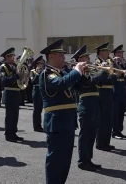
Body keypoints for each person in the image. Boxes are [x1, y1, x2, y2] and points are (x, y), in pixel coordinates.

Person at [39, 38, 85, 184]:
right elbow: (61, 84)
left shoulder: (64, 73)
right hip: (56, 122)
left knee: (65, 160)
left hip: (68, 122)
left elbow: (83, 85)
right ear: (51, 56)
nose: (63, 58)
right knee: (55, 160)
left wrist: (83, 73)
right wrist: (76, 71)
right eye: (60, 55)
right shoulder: (47, 74)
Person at [73, 45, 107, 171]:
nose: (88, 58)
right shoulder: (78, 72)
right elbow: (89, 83)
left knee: (92, 134)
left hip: (94, 103)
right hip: (85, 104)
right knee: (85, 134)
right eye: (85, 57)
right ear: (79, 59)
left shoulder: (90, 71)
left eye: (88, 56)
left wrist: (103, 71)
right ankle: (82, 161)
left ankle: (88, 159)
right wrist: (101, 72)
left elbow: (101, 81)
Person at [94, 42, 117, 151]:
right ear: (101, 53)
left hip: (109, 92)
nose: (108, 53)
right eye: (106, 51)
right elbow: (101, 79)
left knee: (109, 119)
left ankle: (106, 142)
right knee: (102, 119)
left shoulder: (108, 62)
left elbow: (114, 79)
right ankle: (100, 143)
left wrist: (112, 71)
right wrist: (110, 73)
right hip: (102, 92)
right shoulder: (97, 63)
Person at [0, 47, 23, 142]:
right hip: (9, 92)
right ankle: (9, 134)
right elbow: (4, 81)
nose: (13, 58)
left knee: (15, 114)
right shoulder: (3, 67)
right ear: (7, 57)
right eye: (11, 56)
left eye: (13, 56)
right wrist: (16, 76)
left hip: (16, 92)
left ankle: (14, 132)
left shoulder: (15, 66)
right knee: (10, 115)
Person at [111, 45, 126, 139]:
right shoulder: (112, 62)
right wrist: (115, 62)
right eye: (119, 53)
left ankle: (119, 130)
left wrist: (124, 64)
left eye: (122, 53)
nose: (121, 55)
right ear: (115, 54)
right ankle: (115, 131)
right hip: (115, 88)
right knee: (116, 111)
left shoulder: (122, 63)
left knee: (121, 111)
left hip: (122, 88)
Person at [30, 55, 45, 132]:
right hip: (36, 91)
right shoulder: (33, 72)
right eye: (40, 63)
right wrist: (38, 73)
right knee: (36, 110)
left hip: (42, 91)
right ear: (37, 64)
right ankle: (36, 126)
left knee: (40, 109)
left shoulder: (44, 71)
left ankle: (40, 125)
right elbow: (33, 81)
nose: (42, 65)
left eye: (42, 63)